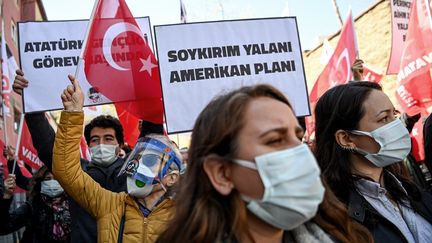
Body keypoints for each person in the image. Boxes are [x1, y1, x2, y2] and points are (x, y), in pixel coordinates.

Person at [157, 84, 372, 243]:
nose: (300, 151)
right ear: (222, 173)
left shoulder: (348, 236)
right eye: (275, 140)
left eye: (298, 137)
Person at [52, 75, 182, 242]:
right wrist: (73, 113)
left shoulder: (184, 217)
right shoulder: (110, 205)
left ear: (171, 178)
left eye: (150, 160)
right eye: (137, 157)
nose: (139, 165)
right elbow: (66, 170)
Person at [13, 70, 127, 242]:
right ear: (88, 146)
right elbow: (48, 147)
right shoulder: (76, 172)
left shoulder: (133, 174)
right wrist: (31, 104)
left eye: (108, 138)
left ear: (120, 146)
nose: (101, 144)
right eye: (95, 140)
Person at [314, 81, 432, 242]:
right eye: (384, 118)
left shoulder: (410, 191)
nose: (397, 125)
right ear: (346, 139)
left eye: (394, 115)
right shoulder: (334, 218)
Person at [0, 166, 71, 243]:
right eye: (47, 179)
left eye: (57, 179)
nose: (52, 182)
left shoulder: (74, 207)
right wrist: (6, 197)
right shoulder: (32, 206)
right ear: (40, 183)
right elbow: (4, 227)